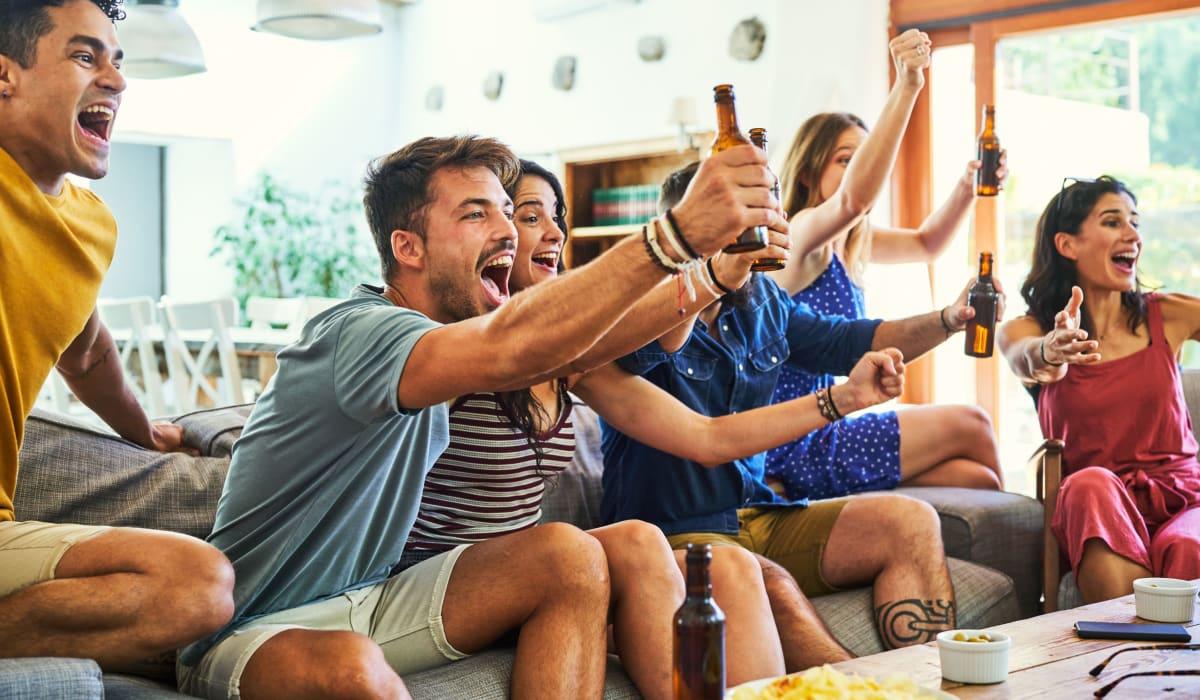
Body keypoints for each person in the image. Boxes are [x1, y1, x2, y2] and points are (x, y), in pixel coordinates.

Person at [178, 135, 783, 700]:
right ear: (407, 247)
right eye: (476, 214)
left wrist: (709, 270)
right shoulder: (363, 332)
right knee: (351, 670)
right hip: (257, 620)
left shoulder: (451, 336)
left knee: (573, 553)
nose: (509, 233)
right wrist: (673, 239)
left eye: (503, 211)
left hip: (379, 595)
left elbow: (583, 348)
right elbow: (511, 346)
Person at [399, 159, 911, 683]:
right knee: (603, 549)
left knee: (719, 563)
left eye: (548, 217)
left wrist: (843, 397)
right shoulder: (444, 340)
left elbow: (703, 434)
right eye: (524, 217)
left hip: (553, 557)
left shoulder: (572, 360)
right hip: (461, 578)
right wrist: (702, 263)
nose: (549, 232)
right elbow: (529, 344)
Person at [601, 160, 1001, 658]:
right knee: (777, 590)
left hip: (762, 511)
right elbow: (700, 424)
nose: (768, 229)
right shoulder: (637, 307)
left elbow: (852, 340)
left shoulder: (764, 299)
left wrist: (947, 319)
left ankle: (919, 682)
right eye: (745, 217)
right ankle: (874, 694)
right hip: (678, 532)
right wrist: (713, 275)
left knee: (911, 521)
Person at [0, 0, 234, 670]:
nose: (116, 80)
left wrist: (143, 429)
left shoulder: (89, 224)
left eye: (117, 59)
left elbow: (88, 348)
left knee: (197, 588)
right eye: (84, 55)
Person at [764, 28, 1006, 501]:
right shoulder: (800, 233)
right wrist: (908, 85)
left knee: (978, 481)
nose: (860, 170)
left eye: (864, 159)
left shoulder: (853, 242)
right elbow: (854, 199)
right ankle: (1046, 561)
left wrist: (967, 185)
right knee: (973, 423)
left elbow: (926, 243)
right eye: (845, 160)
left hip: (826, 423)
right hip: (793, 437)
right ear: (811, 171)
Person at [997, 175, 1200, 604]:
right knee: (1089, 484)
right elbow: (1027, 357)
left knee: (1187, 546)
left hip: (1185, 498)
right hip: (1100, 506)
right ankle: (1131, 656)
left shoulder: (1171, 315)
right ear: (1067, 244)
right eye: (1113, 222)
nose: (1133, 235)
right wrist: (1052, 350)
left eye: (1135, 222)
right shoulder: (1027, 329)